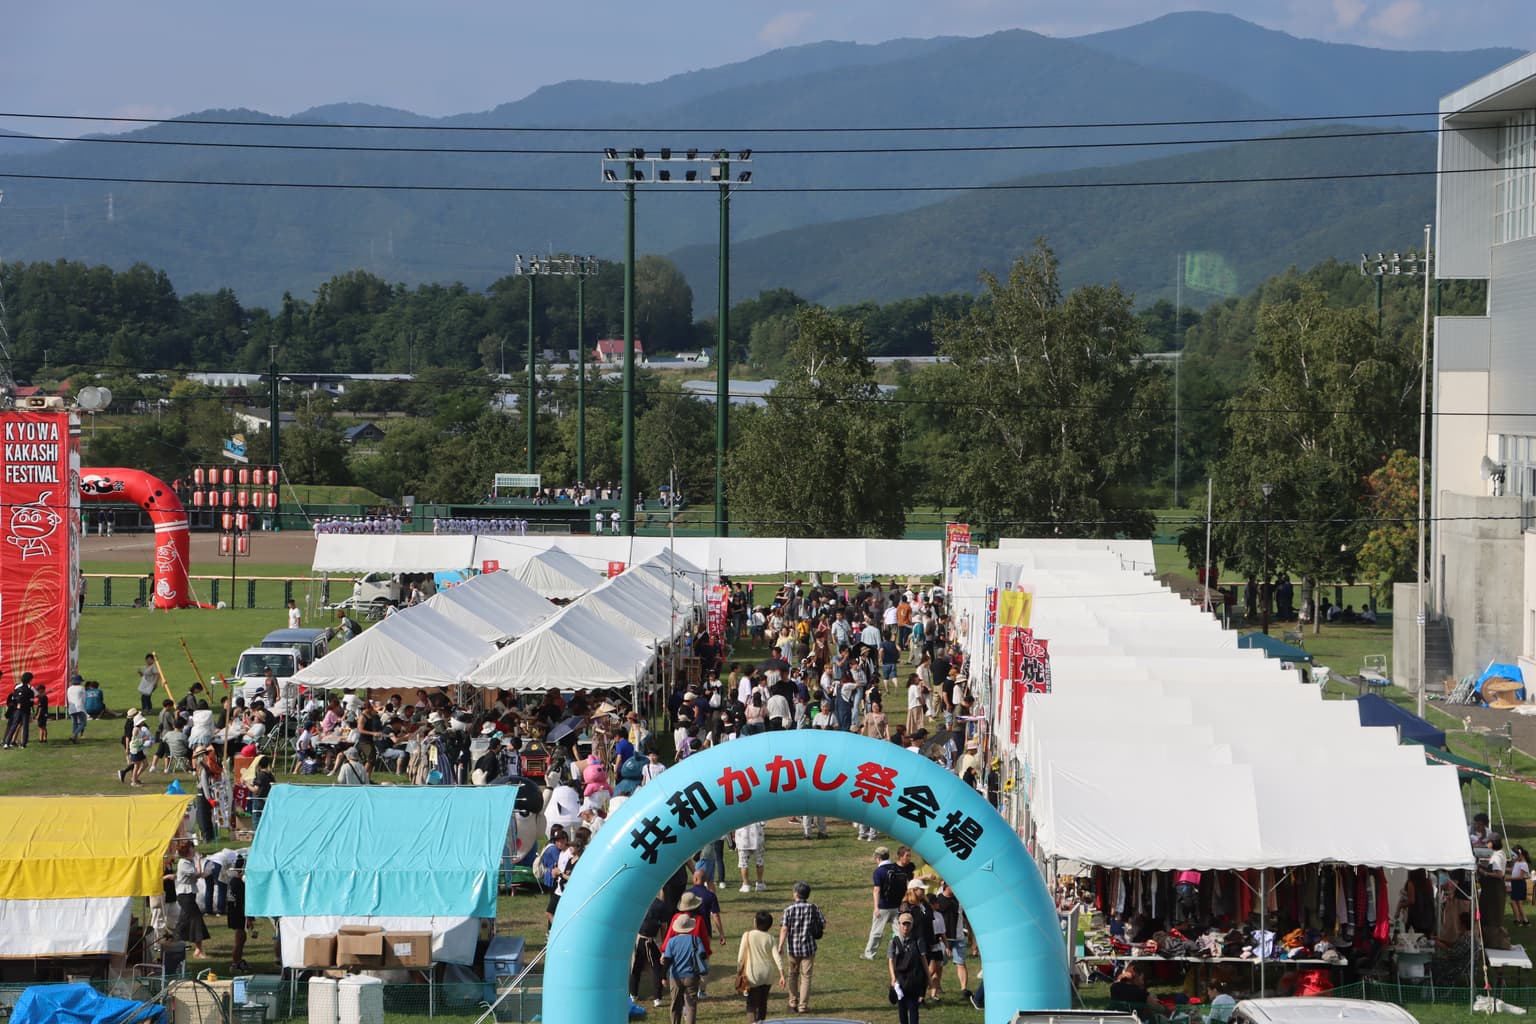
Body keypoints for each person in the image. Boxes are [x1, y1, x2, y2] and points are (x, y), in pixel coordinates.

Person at [778, 881, 826, 1015]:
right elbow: (823, 924)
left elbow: (784, 929)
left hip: (793, 949)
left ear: (795, 894)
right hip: (808, 948)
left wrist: (780, 945)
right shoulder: (813, 908)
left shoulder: (788, 910)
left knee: (793, 975)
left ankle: (792, 1002)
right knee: (806, 977)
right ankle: (803, 1006)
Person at [863, 845, 912, 958]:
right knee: (899, 931)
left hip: (883, 906)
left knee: (877, 931)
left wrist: (876, 907)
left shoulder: (879, 871)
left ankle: (869, 954)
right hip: (897, 906)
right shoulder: (898, 868)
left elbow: (877, 890)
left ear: (878, 858)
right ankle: (901, 951)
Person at [736, 910, 784, 1023]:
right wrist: (782, 974)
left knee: (752, 1003)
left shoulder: (747, 935)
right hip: (768, 974)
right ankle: (762, 1021)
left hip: (752, 974)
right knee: (763, 1002)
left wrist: (738, 971)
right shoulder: (770, 938)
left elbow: (741, 957)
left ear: (756, 922)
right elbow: (777, 957)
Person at [660, 913, 708, 1024]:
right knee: (691, 1005)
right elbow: (703, 955)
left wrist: (663, 976)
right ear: (690, 927)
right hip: (692, 976)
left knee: (675, 1004)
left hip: (675, 977)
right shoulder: (696, 940)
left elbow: (667, 960)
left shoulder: (672, 942)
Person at [165, 841, 209, 959]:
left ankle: (174, 943)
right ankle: (199, 950)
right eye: (192, 848)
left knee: (183, 921)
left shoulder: (188, 862)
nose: (194, 850)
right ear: (188, 850)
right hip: (185, 895)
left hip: (190, 894)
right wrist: (199, 862)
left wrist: (198, 863)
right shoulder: (183, 863)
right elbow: (196, 874)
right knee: (196, 919)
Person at [633, 888, 671, 1009]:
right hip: (653, 940)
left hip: (640, 939)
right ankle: (657, 998)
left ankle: (633, 994)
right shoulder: (660, 905)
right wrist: (664, 942)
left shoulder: (638, 904)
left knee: (636, 968)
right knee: (657, 969)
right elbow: (664, 926)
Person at [888, 910, 928, 1024]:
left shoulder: (918, 940)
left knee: (913, 1008)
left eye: (908, 924)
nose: (906, 927)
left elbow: (923, 959)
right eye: (903, 924)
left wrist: (928, 977)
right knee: (902, 1009)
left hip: (914, 979)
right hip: (900, 980)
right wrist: (893, 978)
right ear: (899, 925)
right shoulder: (893, 942)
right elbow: (890, 960)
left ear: (912, 925)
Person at [4, 672, 36, 748]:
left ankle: (7, 743)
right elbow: (31, 702)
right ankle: (23, 744)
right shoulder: (30, 689)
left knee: (13, 726)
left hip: (17, 710)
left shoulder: (17, 688)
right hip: (26, 710)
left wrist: (17, 705)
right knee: (25, 727)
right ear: (29, 680)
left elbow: (13, 699)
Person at [736, 821, 766, 893]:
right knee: (759, 861)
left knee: (743, 863)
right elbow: (763, 822)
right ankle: (759, 883)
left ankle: (746, 884)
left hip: (742, 837)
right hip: (756, 836)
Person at [66, 673, 88, 743]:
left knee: (74, 723)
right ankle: (73, 735)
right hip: (80, 707)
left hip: (71, 707)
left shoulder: (69, 689)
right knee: (83, 723)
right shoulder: (81, 688)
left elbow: (68, 698)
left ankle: (74, 739)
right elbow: (84, 699)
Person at [1513, 847, 1532, 926]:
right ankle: (1521, 920)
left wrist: (1507, 878)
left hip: (1519, 884)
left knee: (1517, 902)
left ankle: (1523, 920)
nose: (1514, 857)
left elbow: (1521, 877)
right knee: (1515, 902)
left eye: (1515, 856)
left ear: (1520, 855)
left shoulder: (1524, 864)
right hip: (1515, 883)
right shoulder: (1517, 863)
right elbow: (1513, 870)